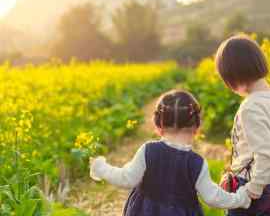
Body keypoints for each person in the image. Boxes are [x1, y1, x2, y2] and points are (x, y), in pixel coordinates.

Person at [90, 90, 251, 216]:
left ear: (158, 126)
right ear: (197, 127)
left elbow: (126, 179)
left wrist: (101, 168)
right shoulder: (197, 163)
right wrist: (241, 198)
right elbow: (213, 197)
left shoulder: (148, 151)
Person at [215, 35, 270, 216]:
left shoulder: (251, 107)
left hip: (257, 185)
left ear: (233, 75)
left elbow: (265, 155)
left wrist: (252, 190)